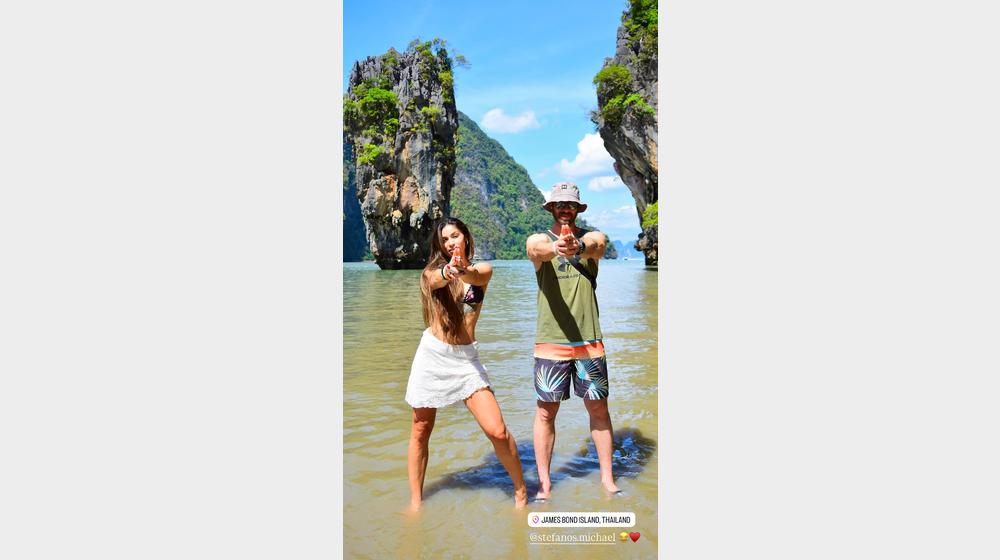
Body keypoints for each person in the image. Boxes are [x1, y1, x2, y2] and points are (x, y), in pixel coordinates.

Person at [404, 217, 528, 511]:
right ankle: (416, 502)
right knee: (421, 428)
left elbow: (475, 276)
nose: (450, 242)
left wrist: (462, 270)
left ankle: (521, 492)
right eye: (445, 239)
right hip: (433, 356)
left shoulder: (483, 270)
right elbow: (436, 279)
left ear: (466, 237)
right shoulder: (430, 273)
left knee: (497, 431)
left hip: (466, 360)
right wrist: (449, 271)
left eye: (455, 236)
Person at [526, 182, 622, 502]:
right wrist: (557, 249)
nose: (565, 208)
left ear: (578, 209)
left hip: (588, 343)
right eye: (560, 204)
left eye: (570, 204)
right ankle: (544, 484)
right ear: (552, 208)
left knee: (598, 409)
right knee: (545, 413)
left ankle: (607, 480)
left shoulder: (592, 238)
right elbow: (536, 250)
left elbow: (597, 245)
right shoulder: (539, 240)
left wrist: (576, 247)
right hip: (550, 344)